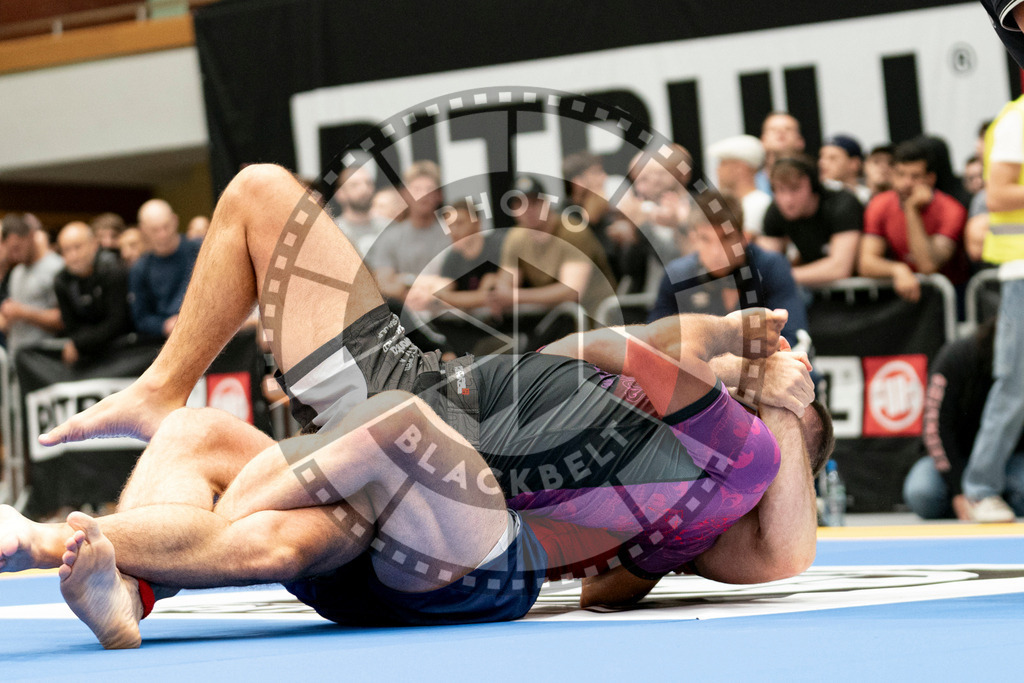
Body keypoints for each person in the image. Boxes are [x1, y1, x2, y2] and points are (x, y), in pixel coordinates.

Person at [9, 164, 826, 647]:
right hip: (415, 394)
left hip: (446, 498)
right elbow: (629, 344)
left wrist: (788, 407)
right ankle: (148, 480)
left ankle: (61, 539)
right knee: (258, 199)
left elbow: (778, 549)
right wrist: (721, 330)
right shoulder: (645, 401)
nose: (768, 370)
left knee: (354, 474)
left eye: (782, 380)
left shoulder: (708, 484)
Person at [959, 91, 1024, 522]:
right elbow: (999, 195)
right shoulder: (1019, 118)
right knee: (1016, 384)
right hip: (1023, 269)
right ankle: (981, 489)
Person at [649, 193, 810, 351]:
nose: (716, 252)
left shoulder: (771, 266)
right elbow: (655, 340)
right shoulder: (677, 275)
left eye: (726, 238)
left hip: (769, 371)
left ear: (744, 238)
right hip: (706, 373)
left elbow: (793, 338)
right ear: (693, 238)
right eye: (705, 239)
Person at [903, 319, 1024, 520]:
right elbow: (935, 428)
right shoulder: (958, 356)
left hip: (1006, 459)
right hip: (956, 457)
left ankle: (993, 499)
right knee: (922, 493)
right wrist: (958, 488)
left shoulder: (1019, 364)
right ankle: (974, 501)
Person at [489, 174, 616, 319]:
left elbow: (571, 292)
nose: (528, 210)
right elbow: (506, 282)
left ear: (546, 203)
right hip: (558, 319)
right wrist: (501, 292)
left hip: (597, 316)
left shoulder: (573, 232)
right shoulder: (515, 237)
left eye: (534, 203)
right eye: (521, 204)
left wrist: (514, 297)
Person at [858, 139, 969, 303]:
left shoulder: (951, 210)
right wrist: (897, 269)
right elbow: (866, 263)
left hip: (949, 298)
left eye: (915, 176)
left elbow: (927, 265)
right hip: (904, 297)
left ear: (930, 179)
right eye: (900, 174)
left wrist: (912, 210)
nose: (906, 183)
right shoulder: (880, 204)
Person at [759, 155, 863, 286]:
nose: (787, 200)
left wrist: (781, 275)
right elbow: (766, 267)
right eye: (780, 190)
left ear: (813, 186)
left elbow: (840, 268)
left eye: (795, 188)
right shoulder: (775, 210)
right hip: (815, 293)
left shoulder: (842, 204)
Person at [366, 161, 451, 303]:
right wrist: (415, 291)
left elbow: (454, 283)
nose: (423, 195)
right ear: (405, 194)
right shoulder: (389, 237)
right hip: (401, 312)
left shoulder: (451, 236)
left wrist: (402, 279)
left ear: (439, 195)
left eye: (429, 189)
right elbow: (383, 283)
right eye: (417, 189)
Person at [53, 222, 133, 366]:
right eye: (66, 250)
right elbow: (70, 325)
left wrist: (78, 343)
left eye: (78, 247)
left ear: (94, 245)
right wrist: (78, 342)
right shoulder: (61, 281)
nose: (73, 255)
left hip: (121, 348)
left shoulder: (114, 272)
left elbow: (117, 322)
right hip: (84, 349)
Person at [129, 199, 201, 339]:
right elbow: (141, 317)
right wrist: (164, 325)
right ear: (143, 230)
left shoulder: (200, 249)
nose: (162, 234)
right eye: (155, 230)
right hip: (168, 338)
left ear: (175, 220)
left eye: (166, 226)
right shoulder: (140, 268)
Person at [0, 213, 64, 355]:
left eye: (17, 248)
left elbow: (63, 318)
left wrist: (23, 312)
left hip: (45, 357)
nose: (14, 256)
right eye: (10, 251)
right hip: (17, 356)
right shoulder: (16, 272)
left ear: (30, 236)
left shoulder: (56, 268)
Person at [707, 135, 773, 241]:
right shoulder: (744, 202)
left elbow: (737, 243)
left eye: (723, 164)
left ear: (740, 168)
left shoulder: (758, 203)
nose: (718, 170)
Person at [331, 167, 388, 257]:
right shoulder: (332, 232)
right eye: (354, 185)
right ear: (340, 194)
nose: (364, 189)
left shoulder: (388, 227)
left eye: (368, 183)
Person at [756, 112, 805, 195]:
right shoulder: (752, 185)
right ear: (763, 141)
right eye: (773, 129)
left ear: (800, 141)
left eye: (788, 129)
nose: (781, 132)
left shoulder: (813, 182)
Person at [819, 134, 872, 205]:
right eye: (822, 158)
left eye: (832, 158)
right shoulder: (817, 195)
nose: (823, 163)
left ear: (854, 163)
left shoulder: (870, 196)